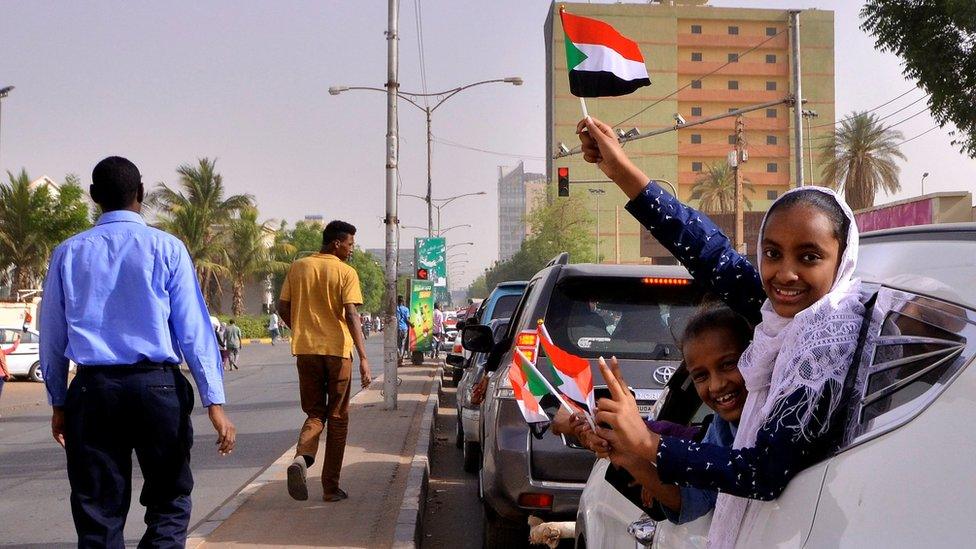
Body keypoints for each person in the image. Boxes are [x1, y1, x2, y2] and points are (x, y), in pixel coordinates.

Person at [579, 117, 865, 547]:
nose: (785, 273)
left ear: (841, 261)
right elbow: (710, 254)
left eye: (809, 256)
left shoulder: (826, 348)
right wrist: (621, 170)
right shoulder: (782, 319)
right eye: (772, 253)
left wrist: (651, 447)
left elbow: (763, 472)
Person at [39, 156, 235, 547]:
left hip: (93, 394)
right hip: (158, 390)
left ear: (94, 196)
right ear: (141, 194)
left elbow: (52, 336)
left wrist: (59, 402)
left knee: (97, 511)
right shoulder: (168, 248)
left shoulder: (68, 253)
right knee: (169, 499)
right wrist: (214, 401)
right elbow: (194, 330)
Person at [562, 306, 753, 525]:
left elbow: (751, 472)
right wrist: (631, 458)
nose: (717, 385)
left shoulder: (779, 423)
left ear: (755, 357)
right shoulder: (720, 430)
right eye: (701, 376)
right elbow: (699, 497)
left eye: (728, 364)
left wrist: (647, 444)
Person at [278, 220, 372, 503]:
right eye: (350, 244)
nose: (351, 250)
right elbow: (352, 315)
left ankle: (302, 459)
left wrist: (302, 329)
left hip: (306, 351)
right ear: (336, 243)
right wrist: (364, 357)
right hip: (337, 352)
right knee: (338, 417)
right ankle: (330, 488)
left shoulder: (298, 267)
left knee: (315, 414)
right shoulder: (345, 272)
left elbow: (283, 307)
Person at [396, 295, 411, 365]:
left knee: (398, 344)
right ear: (403, 301)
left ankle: (399, 357)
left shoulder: (395, 309)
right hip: (404, 328)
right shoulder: (406, 309)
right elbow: (407, 319)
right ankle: (400, 358)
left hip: (397, 328)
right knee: (402, 344)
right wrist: (412, 324)